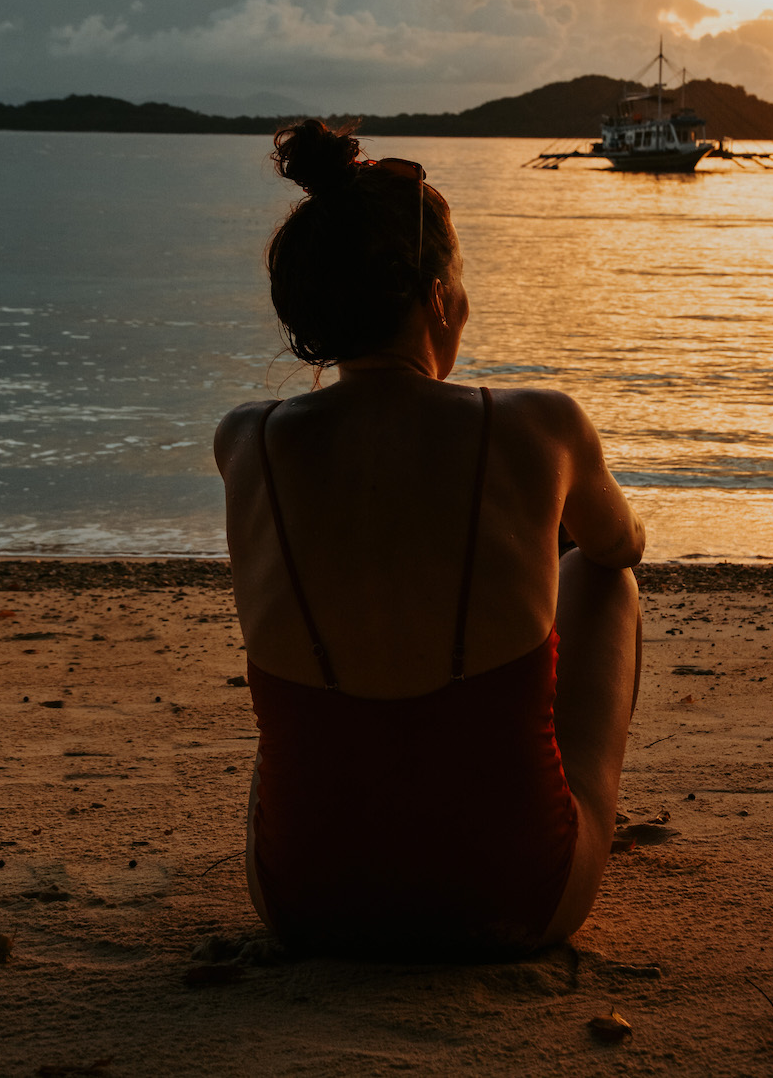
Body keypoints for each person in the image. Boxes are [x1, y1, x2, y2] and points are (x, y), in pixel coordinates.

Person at [214, 119, 644, 958]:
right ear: (440, 300)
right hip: (516, 898)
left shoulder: (246, 440)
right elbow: (621, 545)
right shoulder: (542, 423)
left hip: (304, 901)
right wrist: (545, 532)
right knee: (602, 579)